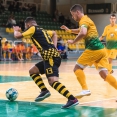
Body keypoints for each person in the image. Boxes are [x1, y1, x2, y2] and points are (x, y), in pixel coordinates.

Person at [13, 17, 78, 108]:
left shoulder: (32, 29)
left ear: (28, 25)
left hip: (50, 58)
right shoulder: (42, 30)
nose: (26, 27)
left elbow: (17, 36)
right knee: (33, 71)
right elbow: (54, 34)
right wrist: (54, 47)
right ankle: (44, 91)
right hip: (50, 57)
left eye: (25, 26)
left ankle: (72, 99)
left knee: (52, 81)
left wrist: (15, 30)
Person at [61, 4, 117, 99]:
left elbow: (83, 32)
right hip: (101, 50)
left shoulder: (84, 20)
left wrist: (74, 42)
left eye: (72, 14)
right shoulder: (86, 20)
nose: (72, 17)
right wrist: (69, 30)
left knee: (77, 68)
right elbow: (80, 30)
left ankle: (85, 89)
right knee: (104, 74)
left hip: (93, 49)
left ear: (77, 12)